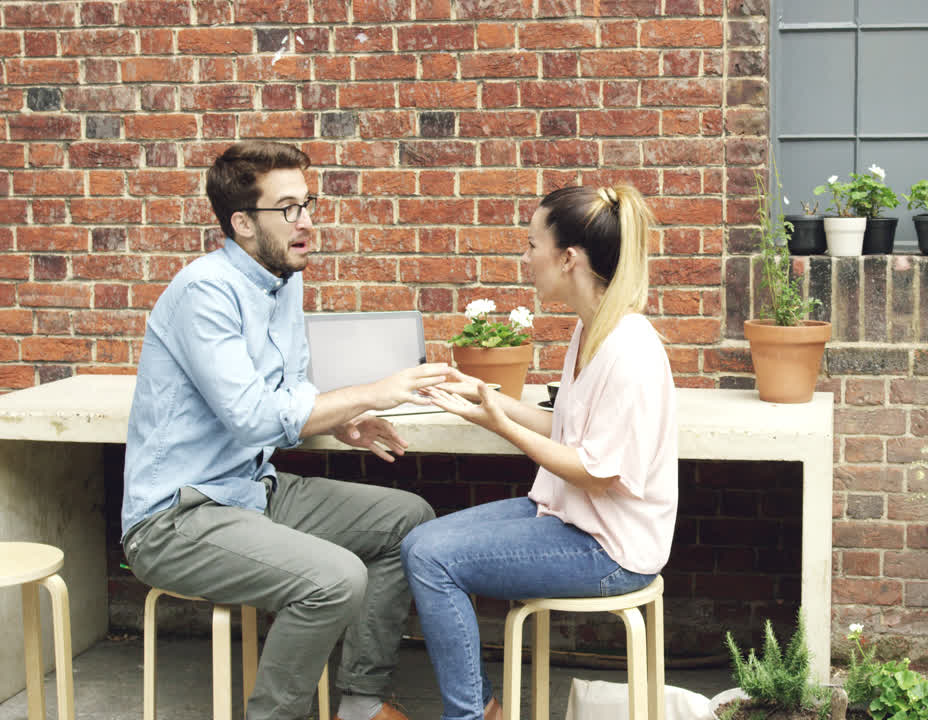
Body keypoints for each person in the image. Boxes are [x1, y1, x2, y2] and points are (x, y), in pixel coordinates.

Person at [121, 140, 446, 720]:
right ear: (243, 223)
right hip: (175, 518)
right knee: (335, 577)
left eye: (309, 204)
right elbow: (251, 415)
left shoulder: (283, 280)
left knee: (408, 521)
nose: (308, 222)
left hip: (252, 492)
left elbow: (289, 391)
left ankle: (361, 701)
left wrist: (340, 418)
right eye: (289, 208)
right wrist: (372, 392)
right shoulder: (205, 291)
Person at [400, 185, 678, 720]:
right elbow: (569, 427)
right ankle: (483, 709)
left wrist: (504, 425)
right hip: (568, 515)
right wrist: (484, 401)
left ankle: (473, 715)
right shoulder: (590, 328)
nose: (524, 257)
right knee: (419, 543)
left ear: (568, 258)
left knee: (434, 559)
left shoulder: (631, 349)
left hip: (609, 550)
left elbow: (595, 473)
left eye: (531, 245)